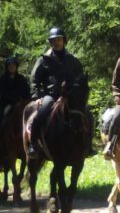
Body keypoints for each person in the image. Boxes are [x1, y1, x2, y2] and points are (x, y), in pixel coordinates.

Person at [27, 27, 87, 159]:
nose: (56, 42)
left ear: (64, 40)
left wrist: (77, 90)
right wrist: (37, 96)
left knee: (86, 113)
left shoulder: (73, 60)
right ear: (50, 42)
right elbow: (34, 79)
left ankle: (87, 145)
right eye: (53, 40)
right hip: (51, 95)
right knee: (41, 113)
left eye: (59, 39)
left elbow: (80, 78)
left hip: (70, 95)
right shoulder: (43, 60)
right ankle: (33, 144)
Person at [0, 55, 31, 120]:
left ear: (16, 66)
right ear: (7, 67)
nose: (12, 67)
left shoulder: (21, 78)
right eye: (10, 65)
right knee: (4, 113)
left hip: (22, 102)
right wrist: (14, 101)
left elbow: (27, 91)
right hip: (8, 103)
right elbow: (4, 94)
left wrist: (26, 100)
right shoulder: (2, 79)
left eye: (13, 65)